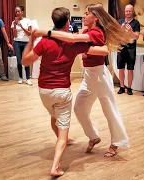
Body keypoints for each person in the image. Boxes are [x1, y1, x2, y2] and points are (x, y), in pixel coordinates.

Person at [34, 4, 133, 158]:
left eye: (87, 13)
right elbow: (72, 41)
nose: (84, 16)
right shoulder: (87, 31)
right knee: (79, 108)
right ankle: (93, 136)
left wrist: (47, 32)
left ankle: (116, 143)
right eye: (84, 13)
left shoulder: (97, 33)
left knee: (110, 110)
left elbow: (73, 38)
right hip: (88, 76)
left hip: (99, 76)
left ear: (96, 17)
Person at [22, 7, 109, 177]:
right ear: (68, 22)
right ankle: (55, 166)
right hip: (62, 92)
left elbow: (25, 61)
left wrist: (31, 40)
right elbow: (102, 50)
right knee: (62, 132)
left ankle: (65, 139)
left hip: (44, 92)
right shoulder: (73, 44)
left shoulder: (45, 43)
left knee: (54, 117)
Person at [117, 4, 140, 95]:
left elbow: (137, 37)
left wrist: (130, 31)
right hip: (121, 47)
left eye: (130, 11)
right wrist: (121, 30)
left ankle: (129, 87)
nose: (128, 12)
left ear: (132, 11)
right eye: (126, 11)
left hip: (131, 48)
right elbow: (117, 36)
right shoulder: (120, 21)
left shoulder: (136, 23)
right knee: (121, 68)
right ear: (124, 11)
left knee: (130, 69)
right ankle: (122, 87)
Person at [11, 6, 32, 85]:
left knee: (26, 60)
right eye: (16, 12)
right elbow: (15, 35)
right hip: (17, 42)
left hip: (26, 42)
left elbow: (29, 33)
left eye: (18, 11)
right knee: (19, 61)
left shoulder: (27, 21)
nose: (17, 13)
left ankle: (28, 78)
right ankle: (20, 77)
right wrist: (16, 26)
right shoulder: (14, 22)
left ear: (22, 12)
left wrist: (21, 26)